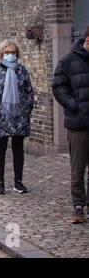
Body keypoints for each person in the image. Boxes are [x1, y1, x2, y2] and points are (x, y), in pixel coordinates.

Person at [0, 40, 35, 196]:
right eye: (7, 52)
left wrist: (27, 107)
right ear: (1, 54)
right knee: (0, 150)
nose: (10, 55)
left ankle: (18, 182)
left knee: (18, 150)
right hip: (2, 116)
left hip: (19, 116)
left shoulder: (22, 70)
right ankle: (0, 183)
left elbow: (29, 91)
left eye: (13, 52)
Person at [53, 26, 89, 224]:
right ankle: (78, 207)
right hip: (78, 124)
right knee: (78, 168)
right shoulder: (68, 61)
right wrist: (74, 105)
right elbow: (58, 86)